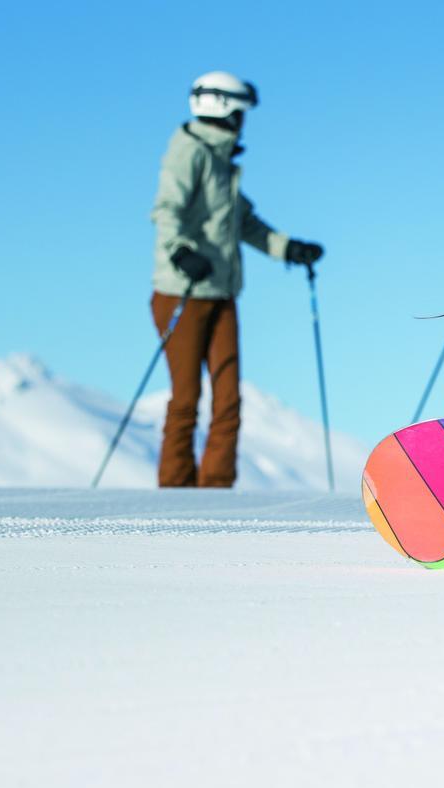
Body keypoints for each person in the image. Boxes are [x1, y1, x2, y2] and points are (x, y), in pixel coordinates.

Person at [150, 71, 324, 487]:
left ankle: (215, 490)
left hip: (221, 293)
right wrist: (180, 252)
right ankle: (175, 489)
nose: (243, 121)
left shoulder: (223, 162)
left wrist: (290, 249)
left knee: (228, 397)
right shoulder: (188, 152)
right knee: (187, 397)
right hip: (182, 292)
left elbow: (245, 223)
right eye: (241, 112)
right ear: (222, 108)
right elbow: (166, 209)